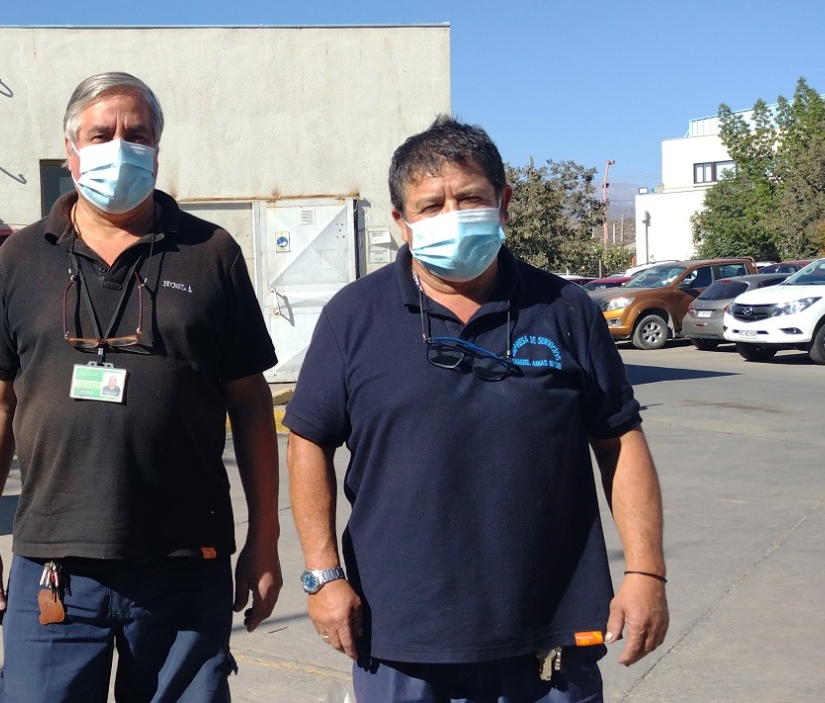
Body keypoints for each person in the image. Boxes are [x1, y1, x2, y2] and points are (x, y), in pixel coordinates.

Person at [284, 116, 669, 702]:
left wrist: (645, 572)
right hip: (401, 636)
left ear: (504, 204)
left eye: (470, 198)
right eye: (430, 205)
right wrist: (323, 575)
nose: (452, 216)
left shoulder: (566, 309)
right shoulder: (353, 316)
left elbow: (620, 441)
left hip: (550, 635)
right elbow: (308, 440)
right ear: (401, 224)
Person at [0, 71, 283, 702]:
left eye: (137, 134)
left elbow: (249, 403)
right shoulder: (22, 258)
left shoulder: (211, 253)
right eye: (101, 133)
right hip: (54, 565)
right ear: (71, 150)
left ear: (157, 148)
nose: (119, 146)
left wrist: (264, 542)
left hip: (188, 564)